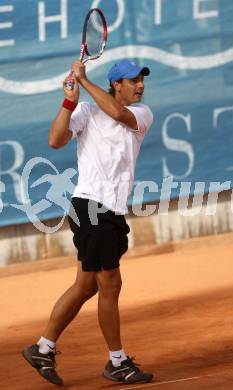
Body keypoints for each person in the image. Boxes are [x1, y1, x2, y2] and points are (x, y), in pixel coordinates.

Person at [22, 59, 154, 386]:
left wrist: (85, 80)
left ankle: (43, 347)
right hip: (91, 207)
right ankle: (117, 362)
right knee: (110, 284)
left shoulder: (141, 114)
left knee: (86, 285)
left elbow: (118, 114)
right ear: (116, 84)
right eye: (131, 80)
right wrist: (69, 100)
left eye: (140, 80)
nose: (139, 85)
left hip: (110, 211)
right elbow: (55, 140)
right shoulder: (85, 111)